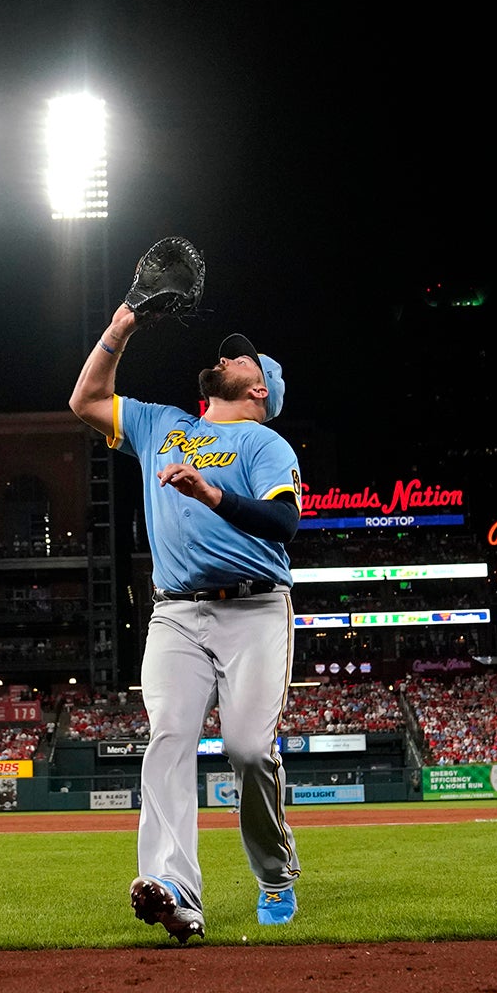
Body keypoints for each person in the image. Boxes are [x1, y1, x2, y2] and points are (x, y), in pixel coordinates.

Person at [71, 303, 304, 940]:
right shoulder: (160, 424)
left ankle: (276, 873)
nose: (226, 356)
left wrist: (211, 494)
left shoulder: (264, 441)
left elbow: (285, 525)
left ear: (259, 388)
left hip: (255, 609)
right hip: (175, 613)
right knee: (169, 737)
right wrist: (121, 327)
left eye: (240, 356)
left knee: (249, 751)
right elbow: (86, 400)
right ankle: (175, 889)